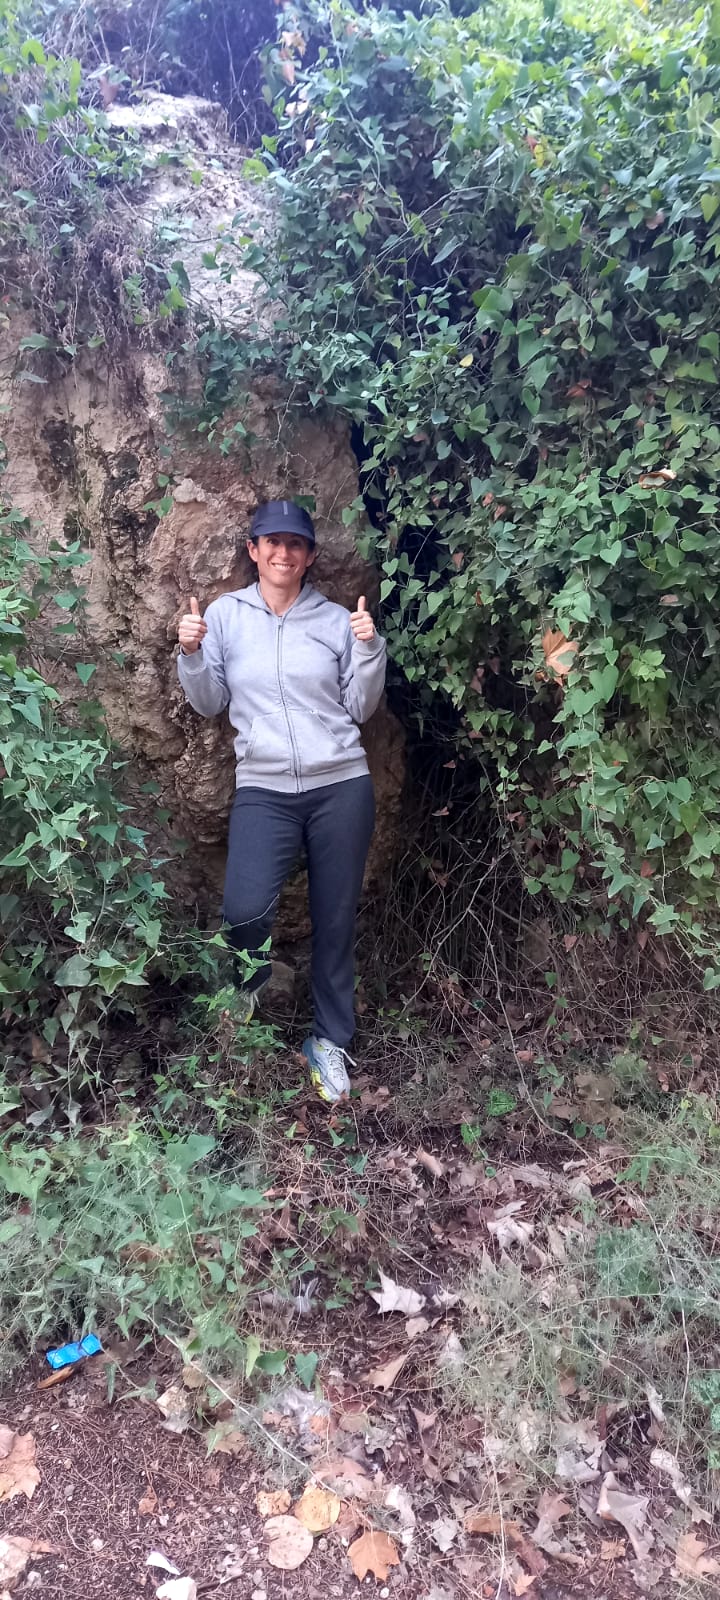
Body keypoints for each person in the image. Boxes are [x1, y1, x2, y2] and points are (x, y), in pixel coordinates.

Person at [176, 499, 387, 1103]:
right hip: (264, 788)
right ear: (253, 549)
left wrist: (368, 650)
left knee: (335, 920)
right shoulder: (225, 616)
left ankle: (329, 1040)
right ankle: (244, 1005)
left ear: (310, 556)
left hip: (340, 784)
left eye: (296, 543)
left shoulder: (334, 620)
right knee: (244, 911)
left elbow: (360, 707)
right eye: (272, 541)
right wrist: (191, 653)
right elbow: (209, 702)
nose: (283, 553)